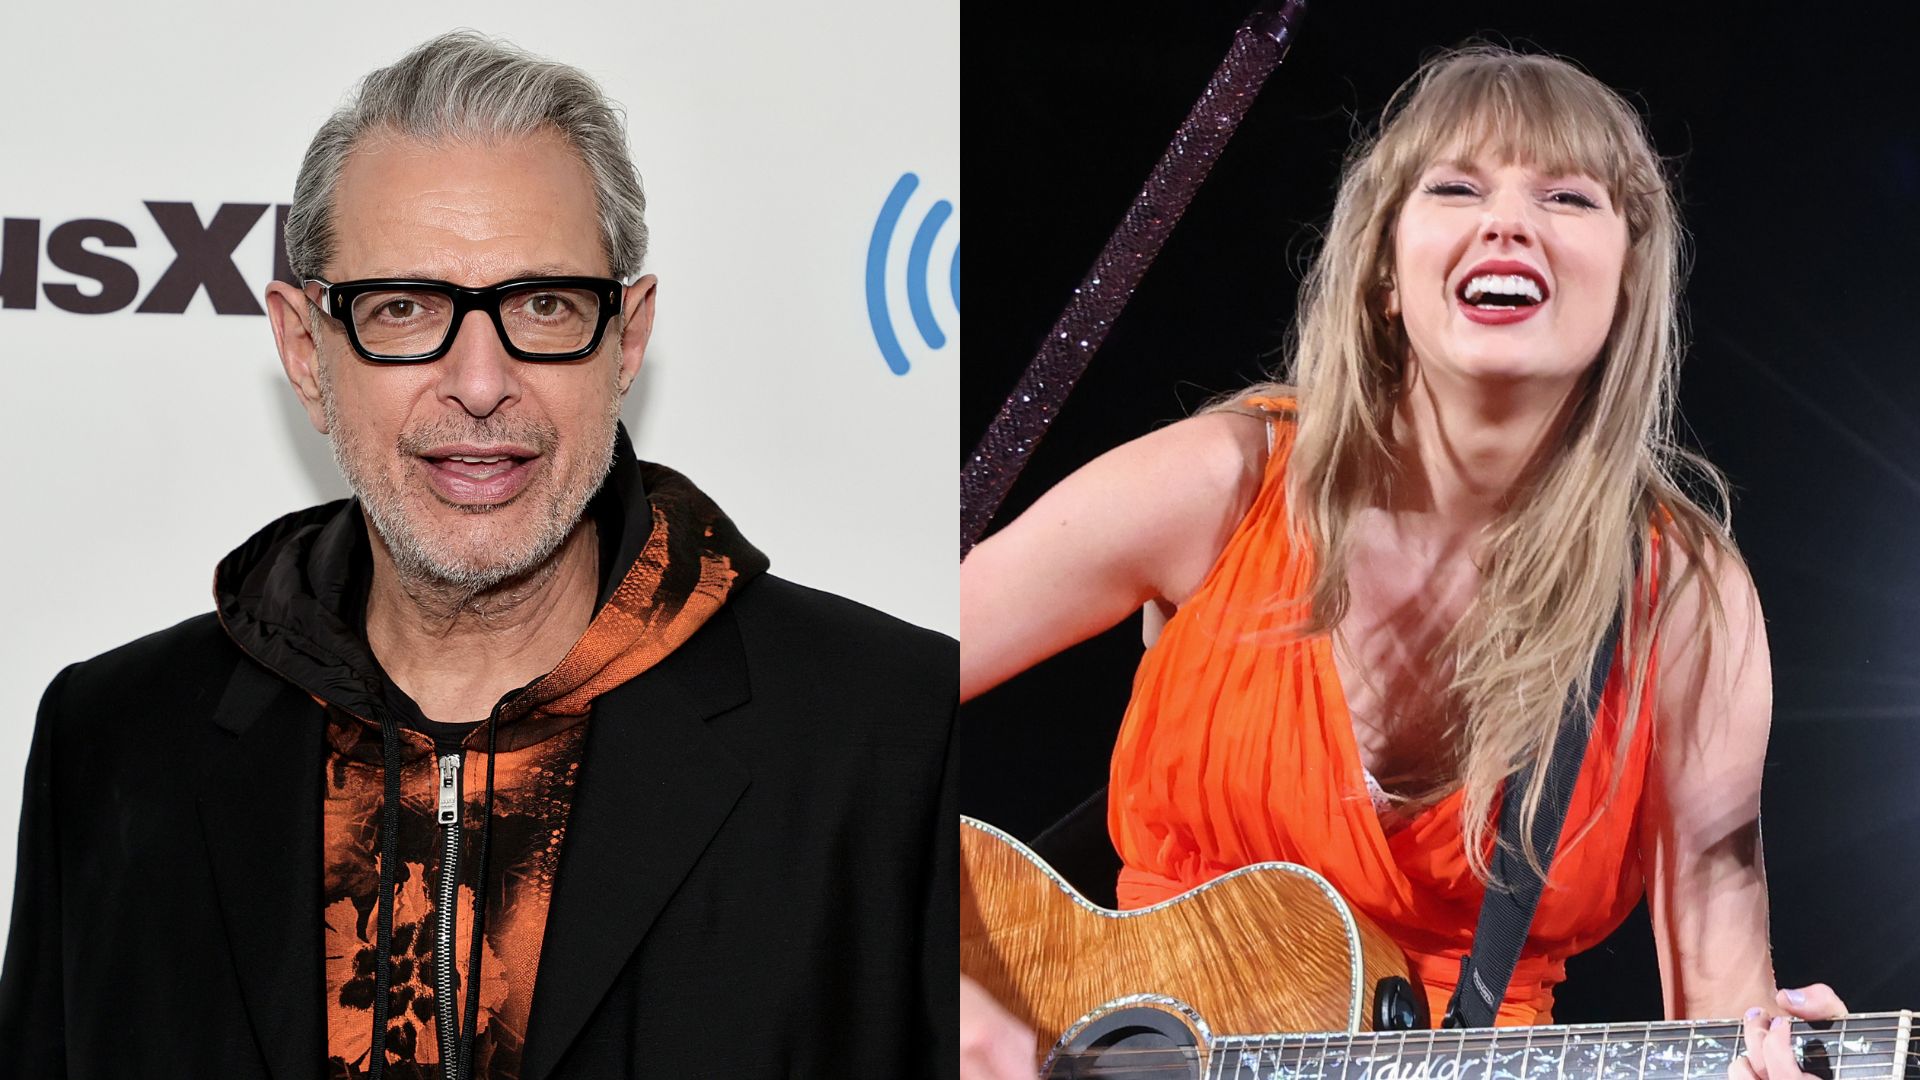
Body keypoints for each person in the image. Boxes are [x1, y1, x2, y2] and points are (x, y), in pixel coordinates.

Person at [0, 31, 955, 1080]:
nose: (481, 381)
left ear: (625, 342)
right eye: (403, 310)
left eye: (543, 304)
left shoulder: (892, 739)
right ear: (305, 353)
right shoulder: (115, 745)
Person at [959, 46, 1837, 1078]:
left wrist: (1773, 1062)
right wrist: (963, 1009)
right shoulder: (1225, 483)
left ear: (1632, 277)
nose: (1507, 220)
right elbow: (849, 699)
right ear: (1383, 269)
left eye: (1567, 195)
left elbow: (1724, 990)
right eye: (1457, 187)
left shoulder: (1682, 597)